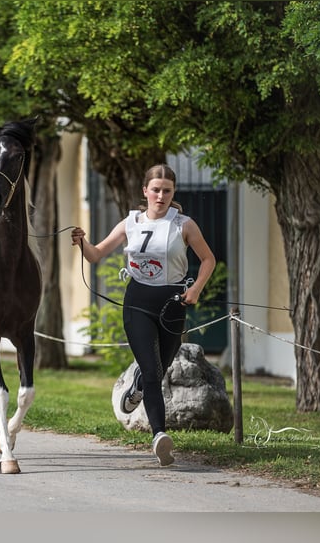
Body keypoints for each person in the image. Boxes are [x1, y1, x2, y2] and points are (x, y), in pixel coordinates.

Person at [71, 164, 215, 466]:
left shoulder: (184, 224)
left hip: (173, 303)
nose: (161, 196)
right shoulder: (130, 223)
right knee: (152, 372)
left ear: (173, 193)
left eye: (167, 191)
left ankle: (137, 386)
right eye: (156, 189)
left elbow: (207, 259)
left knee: (158, 368)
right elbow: (96, 254)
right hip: (138, 301)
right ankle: (160, 437)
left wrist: (197, 289)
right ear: (145, 191)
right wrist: (82, 242)